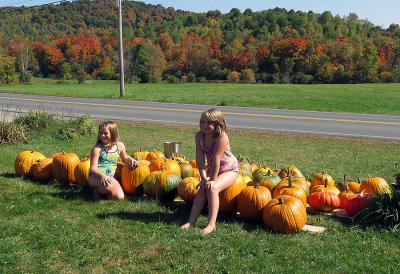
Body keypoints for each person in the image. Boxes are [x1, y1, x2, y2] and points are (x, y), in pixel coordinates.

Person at [181, 108, 239, 234]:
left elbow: (217, 159)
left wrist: (212, 180)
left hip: (229, 169)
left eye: (209, 122)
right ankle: (191, 221)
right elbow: (200, 157)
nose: (204, 125)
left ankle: (211, 225)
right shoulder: (199, 136)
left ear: (218, 123)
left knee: (212, 188)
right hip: (213, 169)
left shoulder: (221, 136)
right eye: (202, 121)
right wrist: (203, 178)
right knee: (203, 188)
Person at [89, 121, 139, 200]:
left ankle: (106, 192)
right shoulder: (97, 149)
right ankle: (97, 190)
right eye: (100, 133)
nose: (102, 135)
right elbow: (92, 169)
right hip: (95, 177)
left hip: (110, 177)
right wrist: (102, 176)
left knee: (120, 197)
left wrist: (131, 159)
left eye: (105, 133)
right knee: (107, 187)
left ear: (113, 133)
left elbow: (125, 159)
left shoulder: (120, 146)